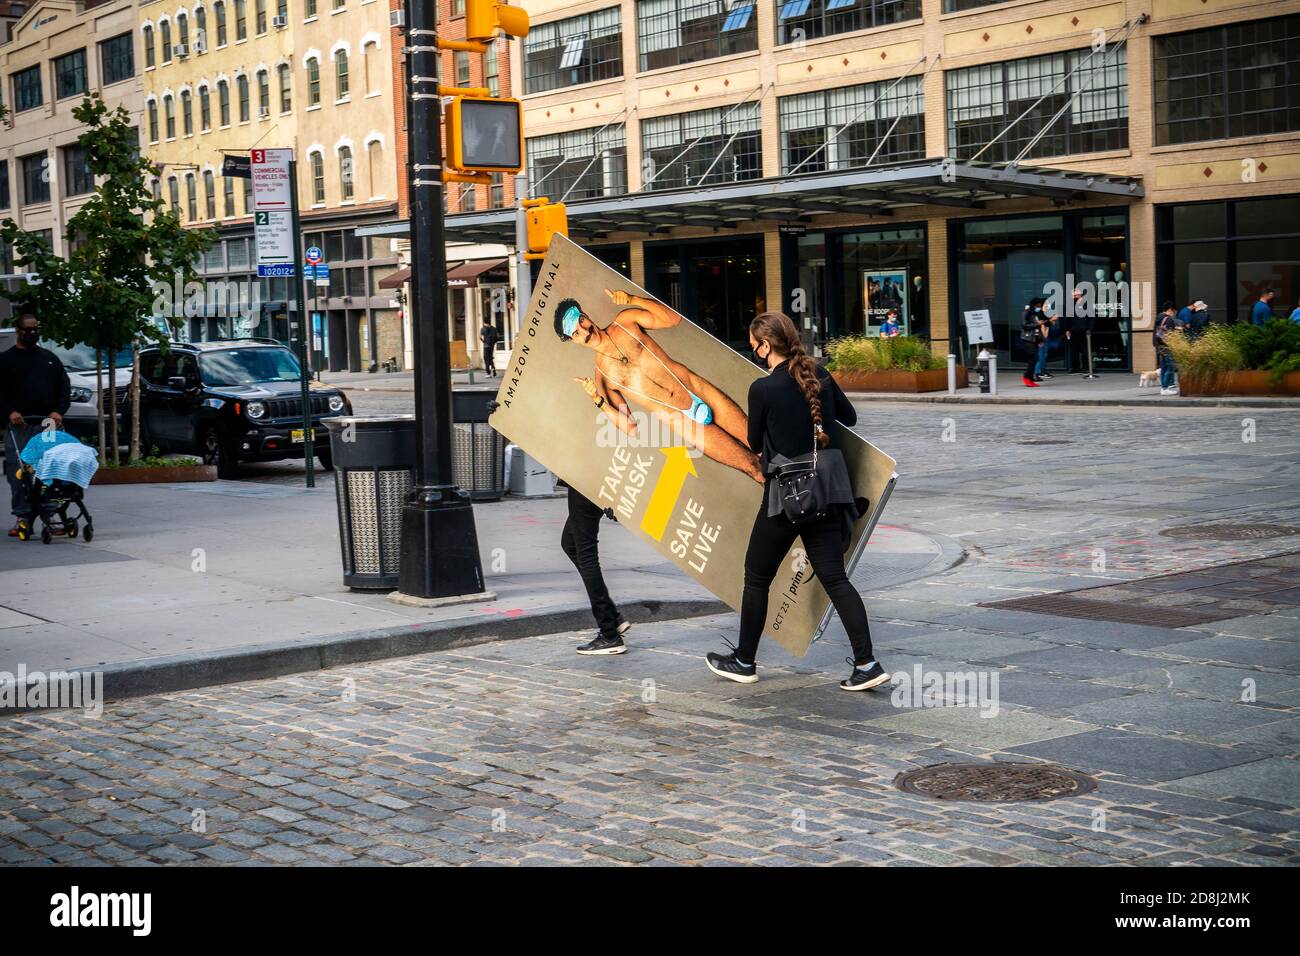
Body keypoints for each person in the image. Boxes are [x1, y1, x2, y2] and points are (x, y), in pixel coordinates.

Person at [705, 311, 889, 693]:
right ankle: (867, 663)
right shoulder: (818, 375)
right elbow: (850, 418)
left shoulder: (763, 389)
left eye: (753, 343)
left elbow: (755, 444)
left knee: (756, 578)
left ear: (765, 345)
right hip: (827, 494)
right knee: (835, 578)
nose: (753, 349)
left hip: (785, 499)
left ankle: (744, 661)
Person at [557, 290, 763, 483]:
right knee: (754, 468)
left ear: (586, 314)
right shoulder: (601, 377)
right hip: (684, 422)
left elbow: (673, 319)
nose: (584, 330)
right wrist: (598, 401)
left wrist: (633, 300)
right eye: (575, 333)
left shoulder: (624, 322)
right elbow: (630, 427)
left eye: (581, 321)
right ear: (573, 341)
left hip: (697, 389)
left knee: (763, 447)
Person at [0, 314, 71, 535]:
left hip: (47, 424)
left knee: (48, 467)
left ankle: (50, 516)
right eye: (27, 329)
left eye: (35, 329)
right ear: (18, 330)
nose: (31, 333)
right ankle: (23, 517)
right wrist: (10, 412)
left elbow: (63, 387)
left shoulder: (49, 358)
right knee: (18, 471)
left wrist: (58, 411)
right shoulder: (5, 360)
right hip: (19, 425)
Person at [560, 482, 631, 655]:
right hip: (593, 478)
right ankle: (613, 617)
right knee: (569, 544)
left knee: (586, 554)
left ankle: (609, 634)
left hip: (585, 479)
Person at [1154, 301, 1184, 396]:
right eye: (1174, 311)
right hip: (1167, 346)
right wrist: (1178, 331)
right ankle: (1165, 388)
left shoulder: (1159, 317)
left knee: (1164, 367)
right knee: (1170, 367)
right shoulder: (1168, 319)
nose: (1174, 313)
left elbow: (1161, 331)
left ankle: (1164, 387)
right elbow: (1170, 334)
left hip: (1160, 346)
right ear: (1171, 309)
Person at [1021, 298, 1048, 387]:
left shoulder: (1035, 314)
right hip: (1028, 339)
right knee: (1034, 357)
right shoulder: (1027, 312)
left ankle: (1030, 378)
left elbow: (1038, 329)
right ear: (1034, 305)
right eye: (1038, 306)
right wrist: (1037, 324)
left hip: (1035, 340)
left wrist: (1040, 340)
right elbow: (1024, 325)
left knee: (1034, 358)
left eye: (1040, 306)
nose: (1039, 307)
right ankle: (1026, 377)